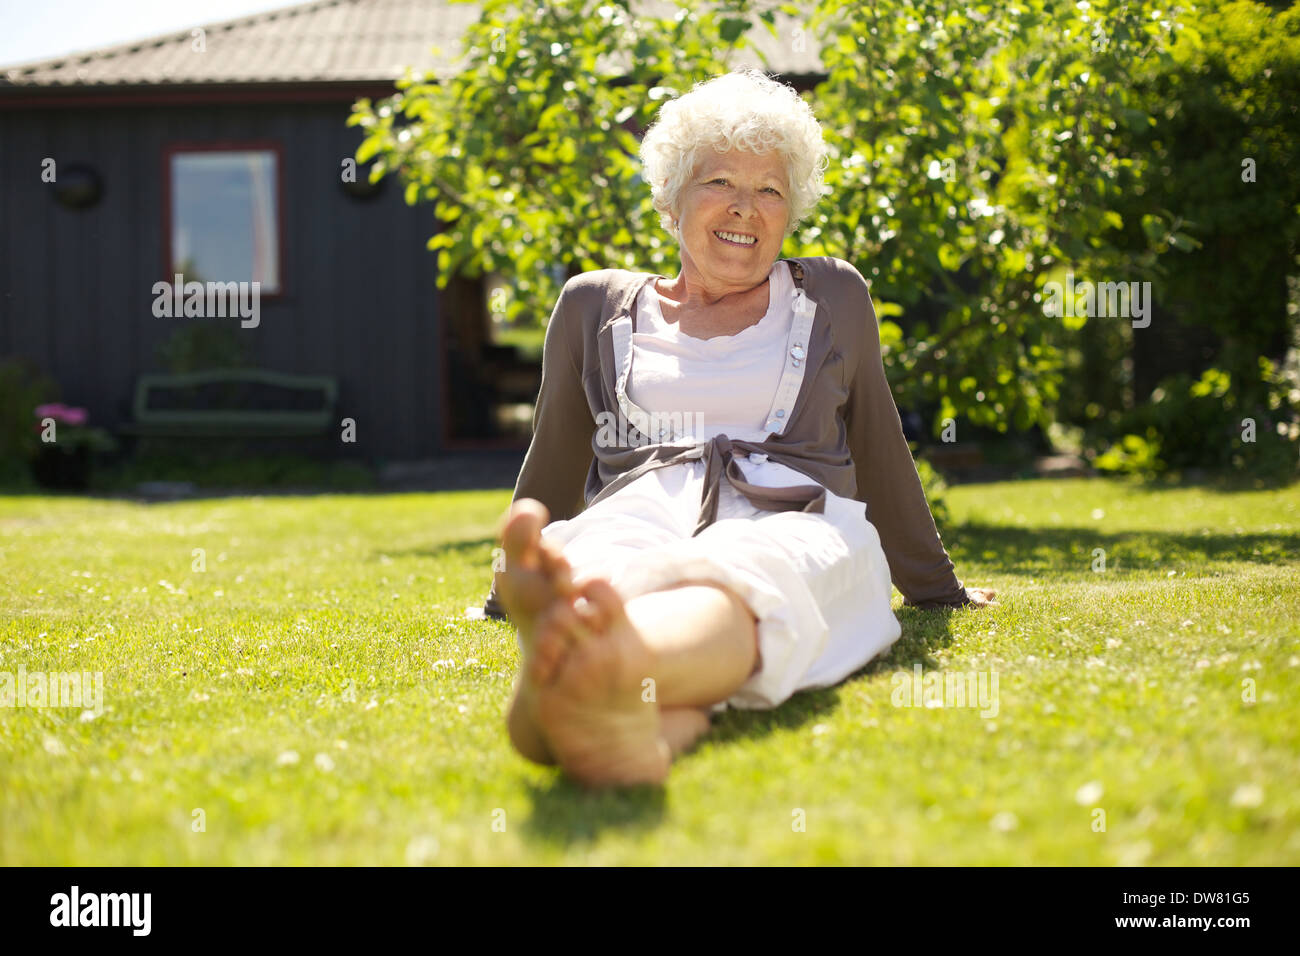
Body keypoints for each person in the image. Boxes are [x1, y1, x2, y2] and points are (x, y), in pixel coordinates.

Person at [481, 69, 996, 788]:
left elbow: (878, 444)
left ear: (791, 212)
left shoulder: (834, 296)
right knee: (606, 562)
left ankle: (592, 679)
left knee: (753, 580)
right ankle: (642, 722)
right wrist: (508, 585)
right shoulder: (592, 305)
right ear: (670, 198)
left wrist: (936, 587)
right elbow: (557, 455)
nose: (745, 209)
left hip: (794, 516)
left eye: (770, 191)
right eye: (720, 182)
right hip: (642, 508)